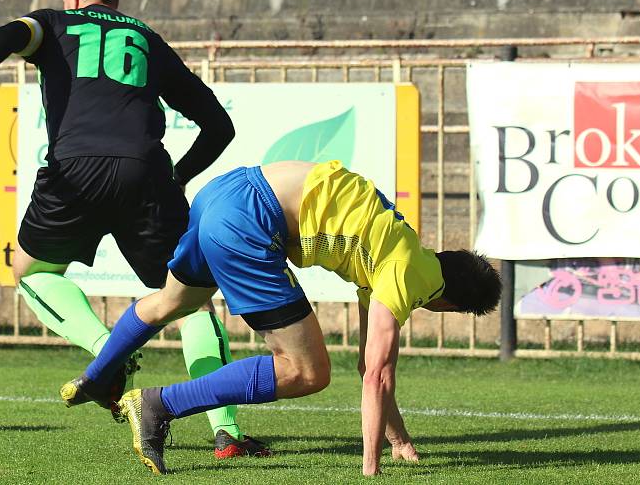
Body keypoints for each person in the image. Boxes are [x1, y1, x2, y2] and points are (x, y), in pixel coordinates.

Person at [0, 0, 268, 458]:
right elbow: (219, 127)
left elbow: (8, 34)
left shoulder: (54, 22)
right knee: (188, 299)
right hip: (147, 173)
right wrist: (175, 177)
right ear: (114, 0)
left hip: (75, 170)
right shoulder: (147, 39)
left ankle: (106, 354)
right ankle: (225, 433)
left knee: (30, 270)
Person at [63, 159, 502, 475]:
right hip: (250, 221)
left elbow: (370, 366)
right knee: (309, 372)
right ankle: (159, 405)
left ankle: (98, 376)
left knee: (170, 302)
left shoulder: (400, 246)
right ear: (452, 304)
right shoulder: (409, 277)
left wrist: (398, 439)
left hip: (225, 190)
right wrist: (371, 469)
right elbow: (378, 377)